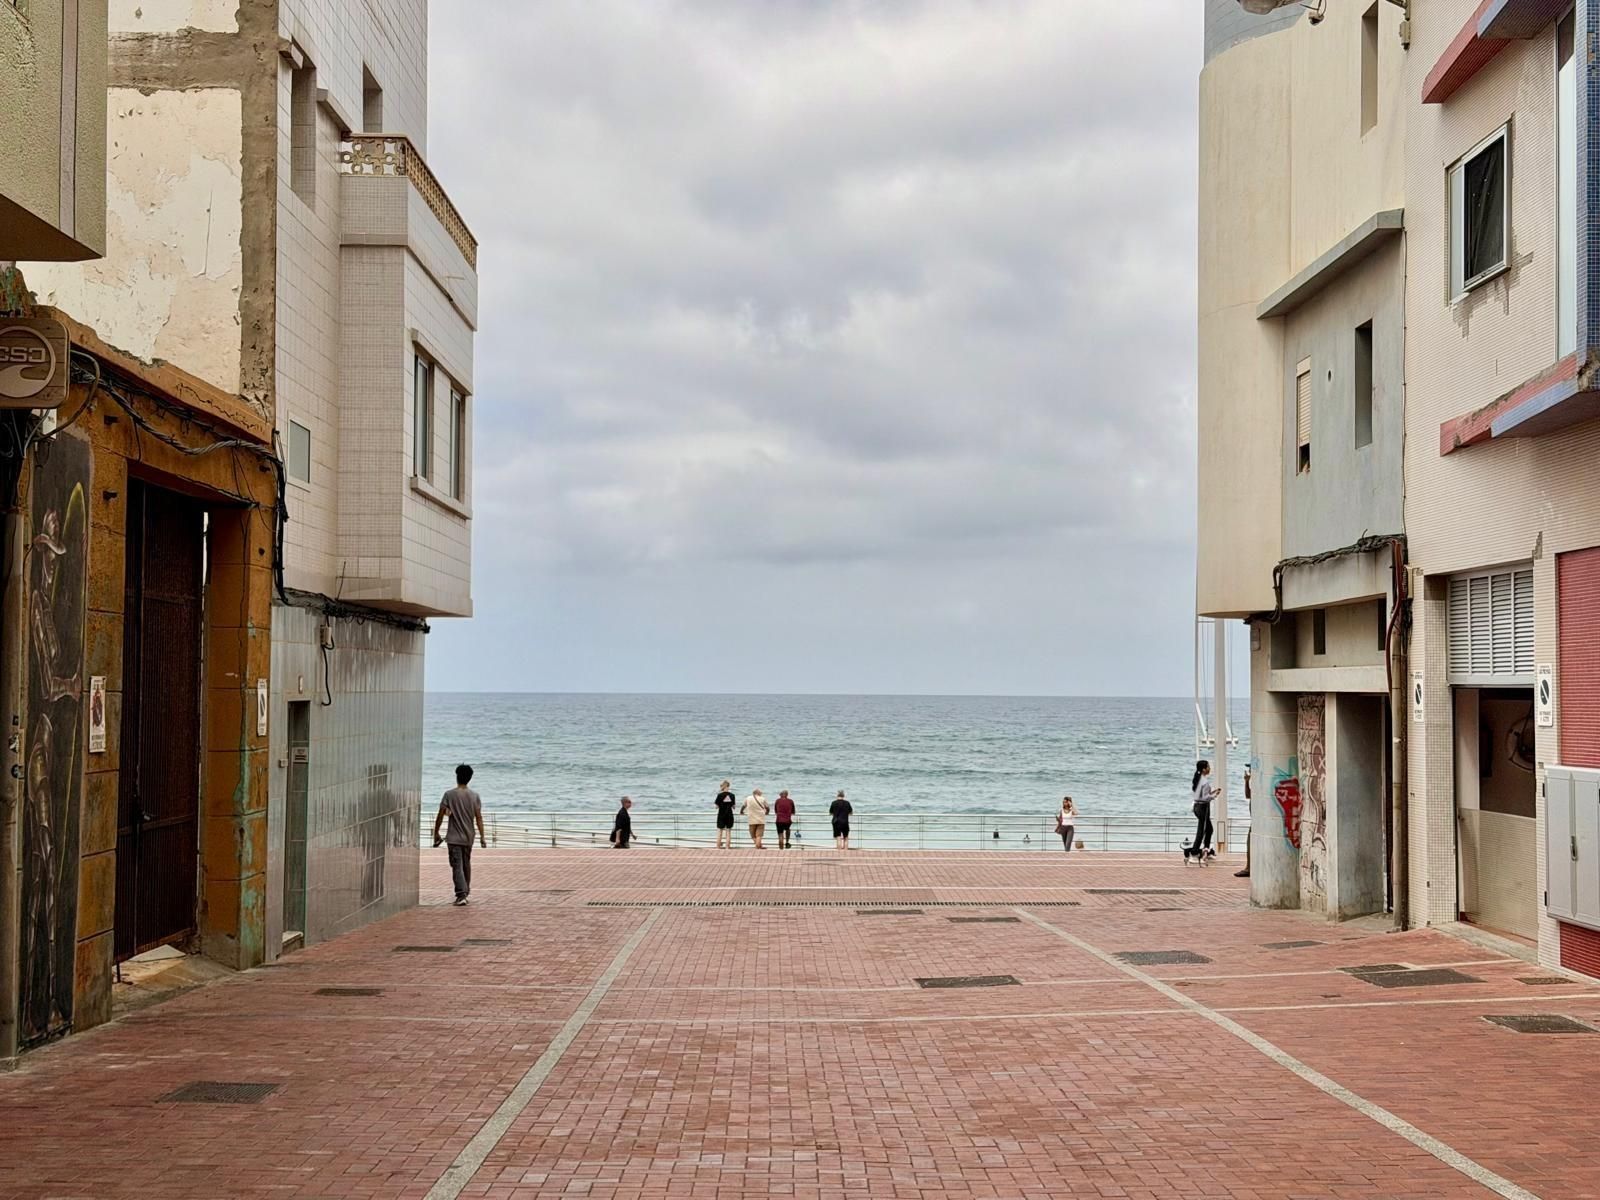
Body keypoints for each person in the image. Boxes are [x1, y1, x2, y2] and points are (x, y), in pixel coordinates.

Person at [432, 763, 486, 906]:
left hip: (454, 837)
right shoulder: (475, 796)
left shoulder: (449, 795)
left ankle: (461, 895)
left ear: (457, 776)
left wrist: (436, 832)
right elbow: (478, 817)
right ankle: (465, 891)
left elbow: (440, 815)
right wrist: (482, 836)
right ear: (470, 778)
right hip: (469, 836)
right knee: (466, 864)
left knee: (457, 865)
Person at [1185, 760, 1216, 865]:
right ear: (1203, 769)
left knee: (1209, 829)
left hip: (1197, 806)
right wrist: (1214, 795)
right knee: (1202, 831)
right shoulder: (1204, 781)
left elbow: (1200, 794)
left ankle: (1206, 850)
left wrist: (1210, 794)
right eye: (1208, 767)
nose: (1209, 768)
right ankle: (1193, 854)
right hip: (1202, 807)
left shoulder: (1199, 779)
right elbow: (1206, 797)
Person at [1235, 766, 1253, 878]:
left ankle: (1249, 868)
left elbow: (1248, 795)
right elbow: (1248, 795)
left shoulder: (1260, 782)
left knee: (1250, 842)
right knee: (1249, 843)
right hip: (1254, 820)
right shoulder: (1255, 783)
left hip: (1257, 821)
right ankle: (1248, 867)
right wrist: (1246, 781)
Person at [714, 780, 737, 850]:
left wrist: (722, 804)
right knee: (728, 831)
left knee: (720, 831)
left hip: (721, 814)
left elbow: (716, 807)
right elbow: (733, 807)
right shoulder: (732, 795)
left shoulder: (719, 795)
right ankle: (727, 847)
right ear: (728, 786)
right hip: (729, 814)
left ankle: (718, 847)